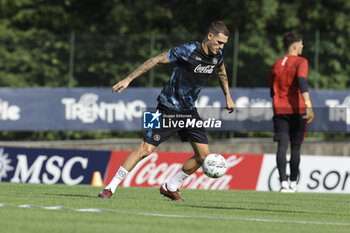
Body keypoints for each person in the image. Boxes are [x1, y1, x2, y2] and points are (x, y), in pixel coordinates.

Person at [98, 21, 235, 201]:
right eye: (219, 42)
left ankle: (170, 186)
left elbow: (221, 72)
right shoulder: (188, 50)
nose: (221, 46)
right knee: (145, 149)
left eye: (224, 43)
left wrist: (228, 96)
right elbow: (155, 60)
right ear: (210, 36)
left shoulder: (218, 56)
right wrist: (128, 79)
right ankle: (110, 187)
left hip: (189, 112)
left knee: (203, 157)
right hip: (167, 108)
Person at [269, 32, 314, 193]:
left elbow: (271, 91)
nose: (302, 47)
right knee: (296, 147)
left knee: (282, 145)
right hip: (297, 109)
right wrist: (308, 105)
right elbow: (302, 82)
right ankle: (293, 183)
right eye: (301, 44)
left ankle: (283, 183)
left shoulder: (276, 63)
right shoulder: (301, 61)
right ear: (295, 46)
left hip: (279, 108)